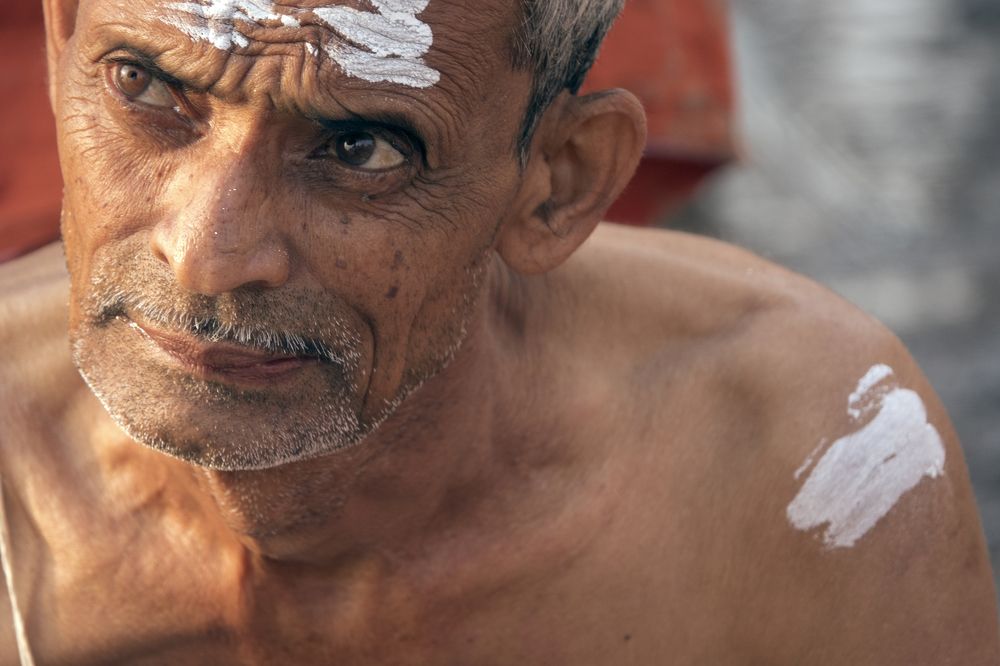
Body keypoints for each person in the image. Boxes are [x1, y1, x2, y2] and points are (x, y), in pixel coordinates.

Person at [0, 0, 997, 662]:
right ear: (58, 50)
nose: (205, 255)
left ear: (560, 185)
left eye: (359, 147)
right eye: (146, 89)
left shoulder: (813, 461)